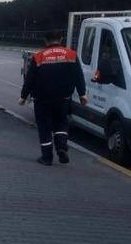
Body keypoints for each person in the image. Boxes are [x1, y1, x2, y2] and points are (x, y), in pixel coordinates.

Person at [20, 29, 88, 165]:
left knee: (44, 126)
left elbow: (30, 79)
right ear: (61, 39)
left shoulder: (39, 57)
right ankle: (61, 147)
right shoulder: (71, 55)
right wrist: (82, 94)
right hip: (63, 98)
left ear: (45, 40)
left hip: (42, 99)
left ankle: (47, 157)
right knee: (61, 122)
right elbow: (78, 76)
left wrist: (23, 96)